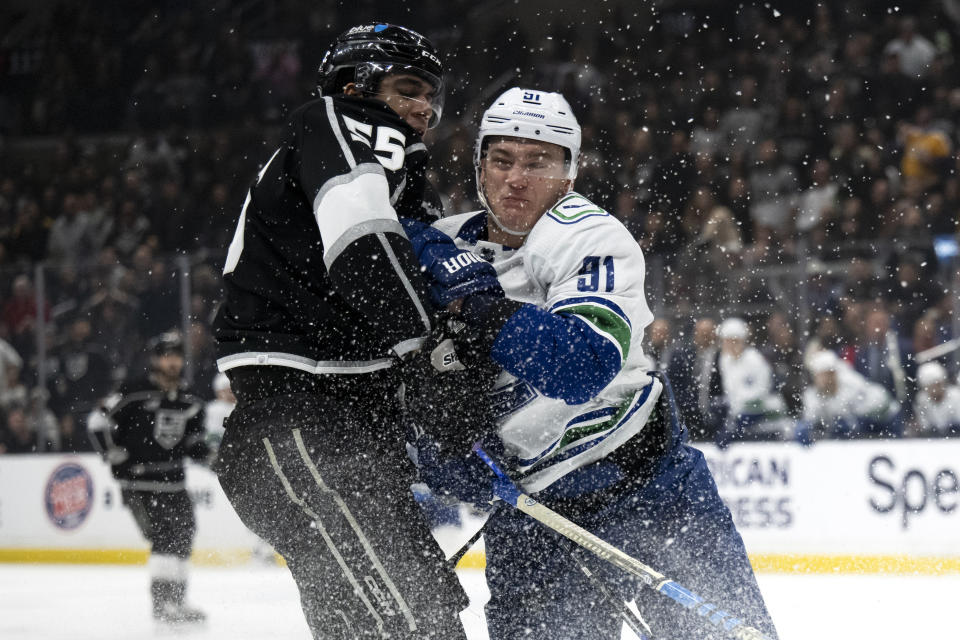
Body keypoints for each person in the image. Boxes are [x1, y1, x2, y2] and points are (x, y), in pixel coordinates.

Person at [411, 88, 778, 639]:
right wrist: (442, 450)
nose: (517, 178)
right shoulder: (434, 245)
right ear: (479, 165)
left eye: (538, 162)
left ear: (569, 174)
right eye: (502, 159)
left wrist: (476, 303)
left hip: (652, 489)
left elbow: (580, 365)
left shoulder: (592, 235)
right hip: (534, 521)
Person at [211, 23, 497, 639]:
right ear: (355, 85)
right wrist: (433, 350)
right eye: (408, 88)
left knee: (373, 624)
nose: (425, 109)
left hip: (322, 428)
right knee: (416, 622)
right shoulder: (338, 121)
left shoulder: (394, 166)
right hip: (303, 425)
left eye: (432, 96)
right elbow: (365, 249)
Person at [87, 331, 210, 624]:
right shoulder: (133, 391)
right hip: (139, 483)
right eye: (167, 355)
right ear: (155, 359)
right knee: (165, 537)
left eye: (177, 355)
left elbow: (193, 443)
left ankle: (177, 602)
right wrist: (111, 453)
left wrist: (212, 458)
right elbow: (96, 421)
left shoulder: (189, 399)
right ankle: (163, 604)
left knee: (184, 534)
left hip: (175, 482)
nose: (173, 362)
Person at [715, 317, 791, 445]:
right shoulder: (724, 360)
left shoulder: (755, 360)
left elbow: (761, 395)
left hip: (766, 421)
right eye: (724, 341)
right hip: (740, 420)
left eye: (730, 341)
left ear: (739, 341)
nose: (726, 345)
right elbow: (732, 393)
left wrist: (740, 420)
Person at [799, 349, 901, 441]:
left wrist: (848, 422)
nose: (826, 379)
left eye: (829, 374)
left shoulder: (852, 385)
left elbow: (861, 421)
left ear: (835, 373)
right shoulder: (811, 396)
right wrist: (806, 429)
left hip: (885, 415)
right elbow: (811, 420)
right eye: (821, 375)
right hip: (863, 424)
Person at [912, 361, 960, 437]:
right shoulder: (921, 400)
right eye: (930, 386)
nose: (936, 388)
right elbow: (925, 426)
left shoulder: (956, 396)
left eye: (938, 384)